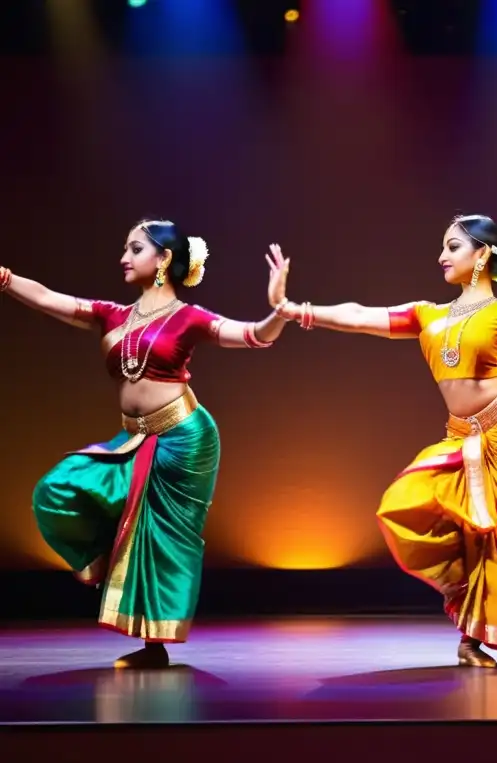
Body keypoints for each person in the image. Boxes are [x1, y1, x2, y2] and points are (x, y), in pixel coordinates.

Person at [268, 216, 497, 667]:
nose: (442, 255)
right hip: (464, 435)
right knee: (408, 502)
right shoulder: (428, 315)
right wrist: (294, 308)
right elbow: (361, 316)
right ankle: (468, 623)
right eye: (443, 247)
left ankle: (471, 641)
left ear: (482, 255)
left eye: (454, 247)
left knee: (495, 541)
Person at [0, 221, 290, 669]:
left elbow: (252, 335)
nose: (124, 257)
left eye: (135, 249)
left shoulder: (188, 318)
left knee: (160, 541)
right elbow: (46, 298)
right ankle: (101, 557)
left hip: (184, 437)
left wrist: (279, 311)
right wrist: (4, 277)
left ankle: (154, 646)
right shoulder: (111, 315)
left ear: (164, 260)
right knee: (56, 489)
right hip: (135, 436)